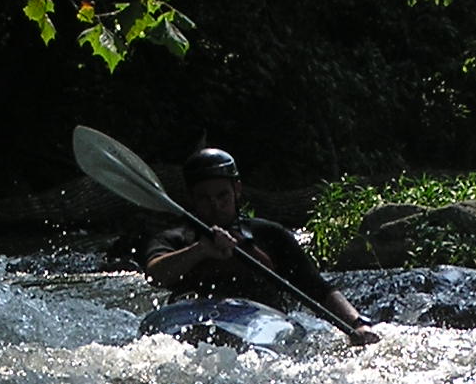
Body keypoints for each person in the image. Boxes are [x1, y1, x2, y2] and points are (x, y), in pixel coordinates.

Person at [143, 148, 381, 345]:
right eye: (204, 198)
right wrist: (201, 250)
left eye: (222, 195)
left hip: (260, 327)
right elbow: (155, 275)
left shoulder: (269, 235)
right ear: (191, 198)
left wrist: (357, 324)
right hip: (194, 326)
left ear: (237, 191)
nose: (215, 205)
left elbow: (318, 288)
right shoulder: (174, 239)